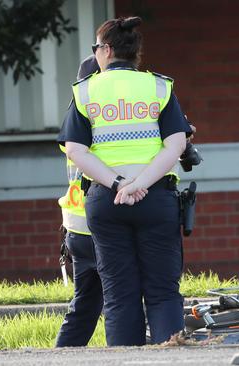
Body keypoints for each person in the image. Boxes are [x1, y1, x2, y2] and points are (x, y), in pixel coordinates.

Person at [58, 16, 192, 346]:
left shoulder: (85, 90)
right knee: (162, 292)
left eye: (95, 47)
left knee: (120, 295)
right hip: (156, 198)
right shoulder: (159, 87)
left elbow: (75, 149)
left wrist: (119, 184)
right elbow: (176, 144)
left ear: (105, 49)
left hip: (107, 201)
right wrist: (140, 182)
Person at [54, 55, 103, 347]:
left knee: (84, 306)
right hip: (103, 226)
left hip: (77, 227)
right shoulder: (106, 121)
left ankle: (63, 357)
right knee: (124, 302)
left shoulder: (74, 121)